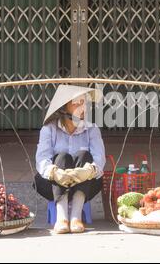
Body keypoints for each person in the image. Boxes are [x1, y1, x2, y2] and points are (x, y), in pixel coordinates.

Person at [34, 85, 106, 234]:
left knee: (83, 155)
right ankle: (61, 217)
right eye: (77, 102)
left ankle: (75, 216)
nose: (82, 107)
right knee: (62, 157)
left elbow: (99, 157)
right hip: (53, 185)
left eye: (84, 102)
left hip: (85, 184)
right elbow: (41, 159)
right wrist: (55, 173)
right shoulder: (49, 129)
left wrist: (88, 171)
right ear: (63, 107)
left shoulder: (92, 129)